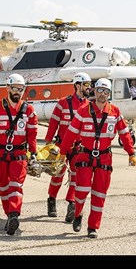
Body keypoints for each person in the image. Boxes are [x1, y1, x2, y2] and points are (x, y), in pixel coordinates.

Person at [59, 78, 136, 239]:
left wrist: (131, 153)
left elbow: (124, 133)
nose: (102, 94)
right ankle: (78, 214)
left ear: (109, 94)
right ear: (94, 91)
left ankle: (92, 227)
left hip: (104, 157)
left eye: (106, 91)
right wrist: (63, 151)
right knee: (80, 192)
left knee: (99, 194)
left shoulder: (115, 112)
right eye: (100, 90)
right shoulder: (83, 111)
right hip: (85, 155)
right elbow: (71, 133)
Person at [0, 73, 38, 235]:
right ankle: (9, 215)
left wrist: (33, 153)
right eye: (15, 88)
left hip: (19, 154)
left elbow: (32, 135)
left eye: (21, 89)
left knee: (16, 185)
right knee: (4, 187)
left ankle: (14, 213)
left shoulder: (29, 110)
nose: (18, 92)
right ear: (7, 88)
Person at [44, 72, 92, 222]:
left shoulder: (89, 106)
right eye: (86, 85)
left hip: (79, 148)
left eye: (89, 85)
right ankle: (51, 199)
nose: (88, 88)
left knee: (76, 177)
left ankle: (71, 204)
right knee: (58, 175)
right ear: (77, 85)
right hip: (61, 145)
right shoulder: (63, 103)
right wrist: (48, 142)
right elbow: (53, 123)